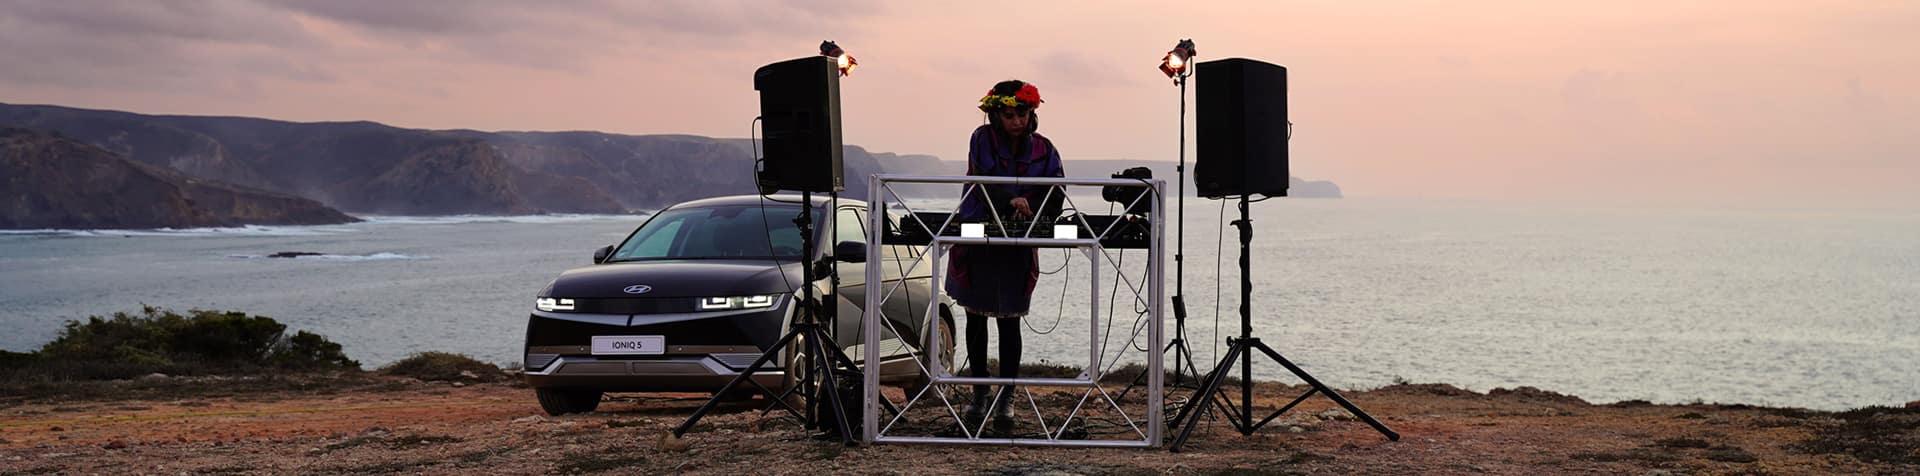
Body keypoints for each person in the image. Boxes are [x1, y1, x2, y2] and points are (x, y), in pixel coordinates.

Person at [947, 80, 1064, 432]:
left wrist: (1036, 211)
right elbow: (982, 178)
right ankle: (979, 391)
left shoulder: (1045, 149)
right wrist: (1007, 200)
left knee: (1010, 319)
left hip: (1019, 239)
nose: (1016, 121)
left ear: (1033, 114)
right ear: (996, 115)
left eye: (1022, 114)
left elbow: (1056, 190)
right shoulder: (981, 139)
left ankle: (1007, 394)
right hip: (980, 234)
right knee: (977, 316)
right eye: (1009, 115)